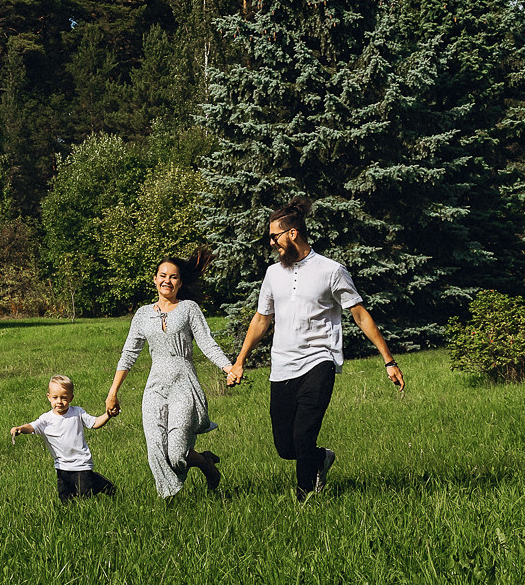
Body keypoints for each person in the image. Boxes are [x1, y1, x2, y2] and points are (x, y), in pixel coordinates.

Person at [226, 197, 405, 499]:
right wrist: (240, 361)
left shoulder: (330, 270)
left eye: (275, 236)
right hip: (282, 365)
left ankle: (305, 499)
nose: (272, 243)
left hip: (320, 360)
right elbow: (261, 319)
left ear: (292, 233)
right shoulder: (273, 274)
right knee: (286, 447)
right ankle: (321, 459)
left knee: (303, 433)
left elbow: (359, 313)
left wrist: (388, 360)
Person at [104, 250, 233, 499]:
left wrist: (228, 368)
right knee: (155, 449)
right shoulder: (142, 314)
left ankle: (206, 464)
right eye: (163, 275)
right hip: (155, 386)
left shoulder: (188, 309)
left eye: (173, 277)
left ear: (180, 283)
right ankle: (171, 504)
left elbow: (206, 343)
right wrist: (113, 393)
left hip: (184, 384)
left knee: (176, 452)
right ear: (154, 279)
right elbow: (129, 354)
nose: (167, 281)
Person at [11, 375, 118, 501]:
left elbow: (94, 423)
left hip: (81, 463)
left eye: (64, 398)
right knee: (65, 499)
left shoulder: (77, 412)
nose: (59, 402)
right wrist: (20, 429)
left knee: (84, 495)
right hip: (61, 466)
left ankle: (102, 485)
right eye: (55, 397)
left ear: (71, 398)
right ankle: (92, 486)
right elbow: (32, 426)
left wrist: (108, 415)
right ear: (48, 397)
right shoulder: (46, 419)